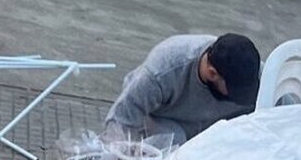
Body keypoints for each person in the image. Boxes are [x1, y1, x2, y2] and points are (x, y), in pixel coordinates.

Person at [104, 33, 262, 147]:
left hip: (209, 126)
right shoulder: (163, 70)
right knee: (173, 141)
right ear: (212, 73)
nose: (242, 96)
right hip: (163, 119)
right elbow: (121, 121)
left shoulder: (259, 73)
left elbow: (283, 115)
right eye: (236, 92)